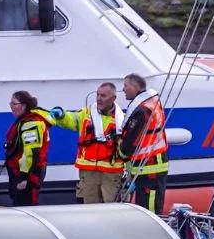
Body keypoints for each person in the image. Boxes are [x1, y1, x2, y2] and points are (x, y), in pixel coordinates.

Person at [51, 82, 125, 204]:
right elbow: (71, 119)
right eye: (98, 95)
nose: (99, 99)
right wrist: (61, 116)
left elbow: (127, 149)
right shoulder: (85, 114)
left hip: (112, 174)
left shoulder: (122, 119)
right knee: (89, 208)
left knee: (112, 208)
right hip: (88, 172)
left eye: (103, 96)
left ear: (113, 98)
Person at [117, 73, 169, 213]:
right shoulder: (152, 103)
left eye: (126, 86)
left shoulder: (142, 110)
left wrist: (120, 152)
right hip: (152, 165)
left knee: (149, 210)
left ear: (135, 87)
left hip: (149, 167)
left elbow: (129, 143)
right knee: (150, 206)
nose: (123, 90)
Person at [4, 90, 55, 207]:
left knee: (25, 205)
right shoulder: (25, 121)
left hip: (27, 176)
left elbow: (31, 154)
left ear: (23, 106)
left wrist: (23, 178)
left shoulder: (31, 124)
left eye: (14, 103)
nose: (11, 106)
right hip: (21, 173)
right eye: (10, 103)